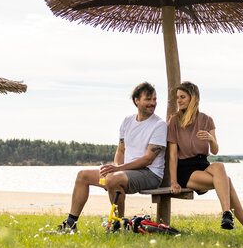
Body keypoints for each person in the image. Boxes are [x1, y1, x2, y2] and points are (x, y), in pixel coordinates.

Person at [54, 82, 167, 233]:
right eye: (148, 99)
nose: (152, 103)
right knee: (83, 176)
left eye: (154, 99)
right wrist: (115, 169)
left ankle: (118, 226)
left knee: (113, 179)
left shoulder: (159, 125)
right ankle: (70, 224)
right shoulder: (128, 121)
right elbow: (121, 150)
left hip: (150, 173)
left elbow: (148, 159)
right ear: (137, 100)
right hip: (127, 172)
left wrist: (118, 170)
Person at [167, 81, 243, 233]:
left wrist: (211, 139)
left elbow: (215, 151)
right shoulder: (174, 121)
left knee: (219, 166)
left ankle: (228, 215)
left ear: (193, 98)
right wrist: (173, 181)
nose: (179, 100)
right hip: (185, 168)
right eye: (178, 97)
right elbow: (172, 155)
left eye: (183, 97)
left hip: (203, 164)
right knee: (227, 182)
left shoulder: (207, 119)